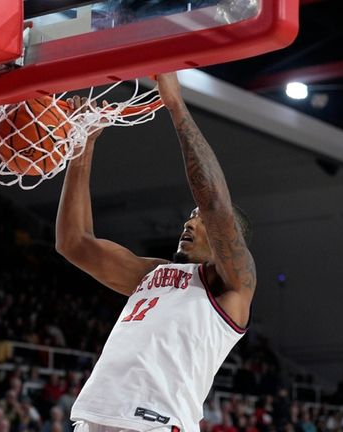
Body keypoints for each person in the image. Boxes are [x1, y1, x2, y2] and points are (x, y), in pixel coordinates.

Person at [55, 72, 256, 432]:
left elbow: (214, 202)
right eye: (189, 218)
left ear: (229, 238)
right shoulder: (150, 274)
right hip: (95, 417)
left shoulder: (233, 288)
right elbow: (74, 242)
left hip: (155, 422)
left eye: (201, 221)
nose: (190, 224)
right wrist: (82, 149)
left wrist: (175, 104)